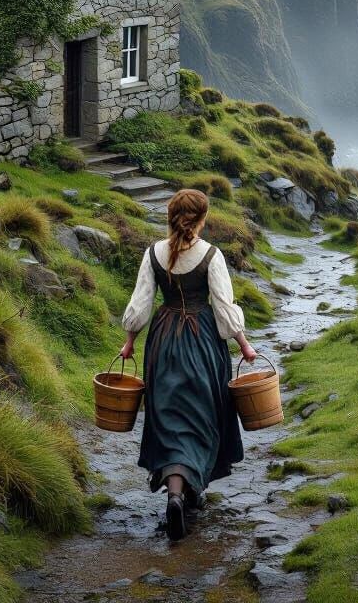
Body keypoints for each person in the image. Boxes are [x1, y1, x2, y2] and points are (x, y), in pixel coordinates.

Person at [119, 188, 257, 541]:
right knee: (202, 415)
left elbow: (142, 303)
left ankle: (177, 494)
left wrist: (130, 342)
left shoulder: (153, 253)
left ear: (171, 217)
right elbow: (224, 307)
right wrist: (243, 345)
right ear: (201, 219)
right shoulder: (211, 255)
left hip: (163, 340)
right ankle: (190, 492)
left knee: (169, 416)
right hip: (203, 342)